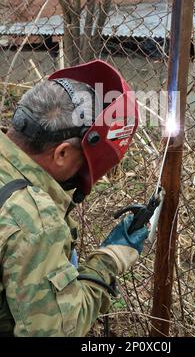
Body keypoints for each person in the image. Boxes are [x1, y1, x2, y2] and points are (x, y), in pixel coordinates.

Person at [0, 60, 149, 337]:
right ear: (62, 153)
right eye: (83, 162)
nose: (82, 172)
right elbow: (57, 332)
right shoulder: (34, 219)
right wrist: (109, 260)